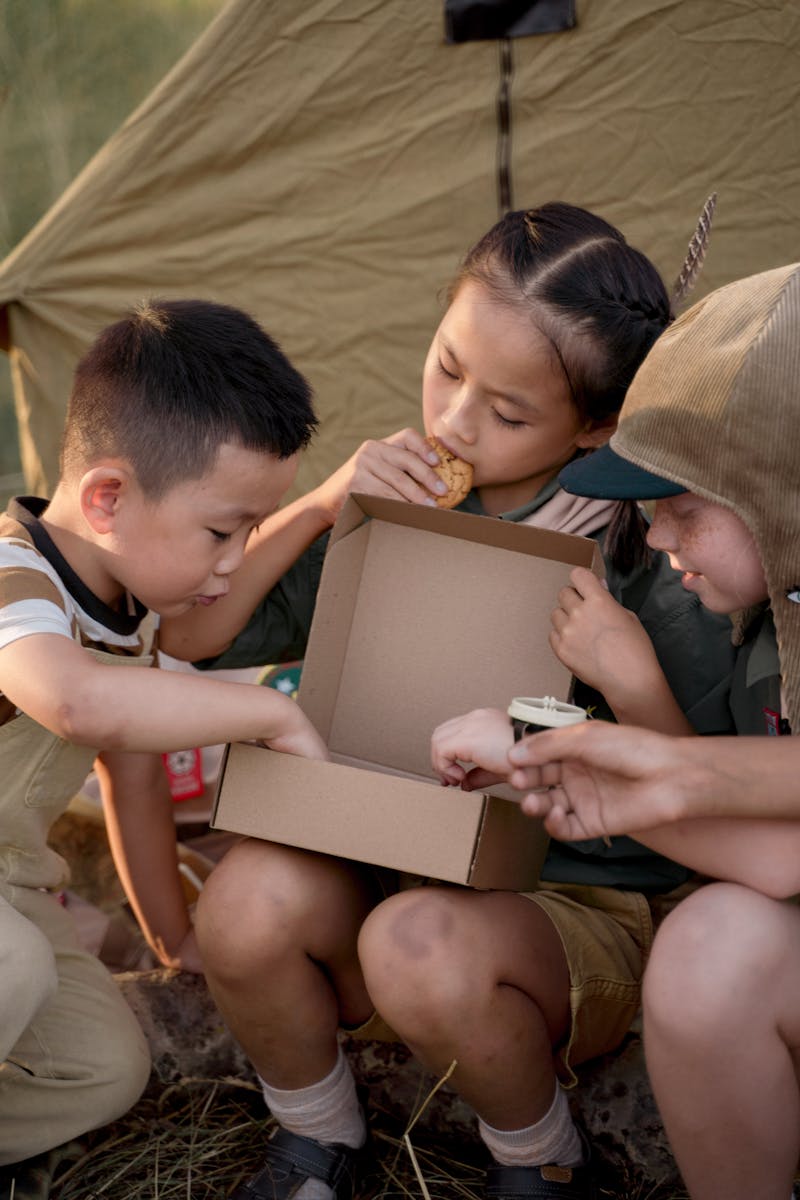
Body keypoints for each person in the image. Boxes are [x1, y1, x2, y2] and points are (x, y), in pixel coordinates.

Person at [191, 203, 737, 1200]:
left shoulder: (651, 544)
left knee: (416, 943)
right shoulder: (401, 493)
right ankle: (317, 1140)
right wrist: (326, 501)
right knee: (238, 905)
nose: (450, 422)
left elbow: (707, 782)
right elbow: (195, 632)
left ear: (595, 425)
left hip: (572, 903)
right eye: (446, 367)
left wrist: (620, 681)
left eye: (508, 413)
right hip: (385, 852)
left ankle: (540, 1161)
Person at [0, 298, 329, 1191]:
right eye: (223, 532)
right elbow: (73, 702)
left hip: (13, 892)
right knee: (13, 966)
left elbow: (132, 780)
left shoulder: (133, 614)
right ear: (107, 498)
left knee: (102, 1066)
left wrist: (176, 941)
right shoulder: (12, 576)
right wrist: (266, 715)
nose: (232, 563)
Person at [495, 261, 800, 1200]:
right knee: (712, 946)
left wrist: (645, 769)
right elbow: (781, 860)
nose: (658, 541)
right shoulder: (765, 622)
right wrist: (609, 775)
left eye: (684, 508)